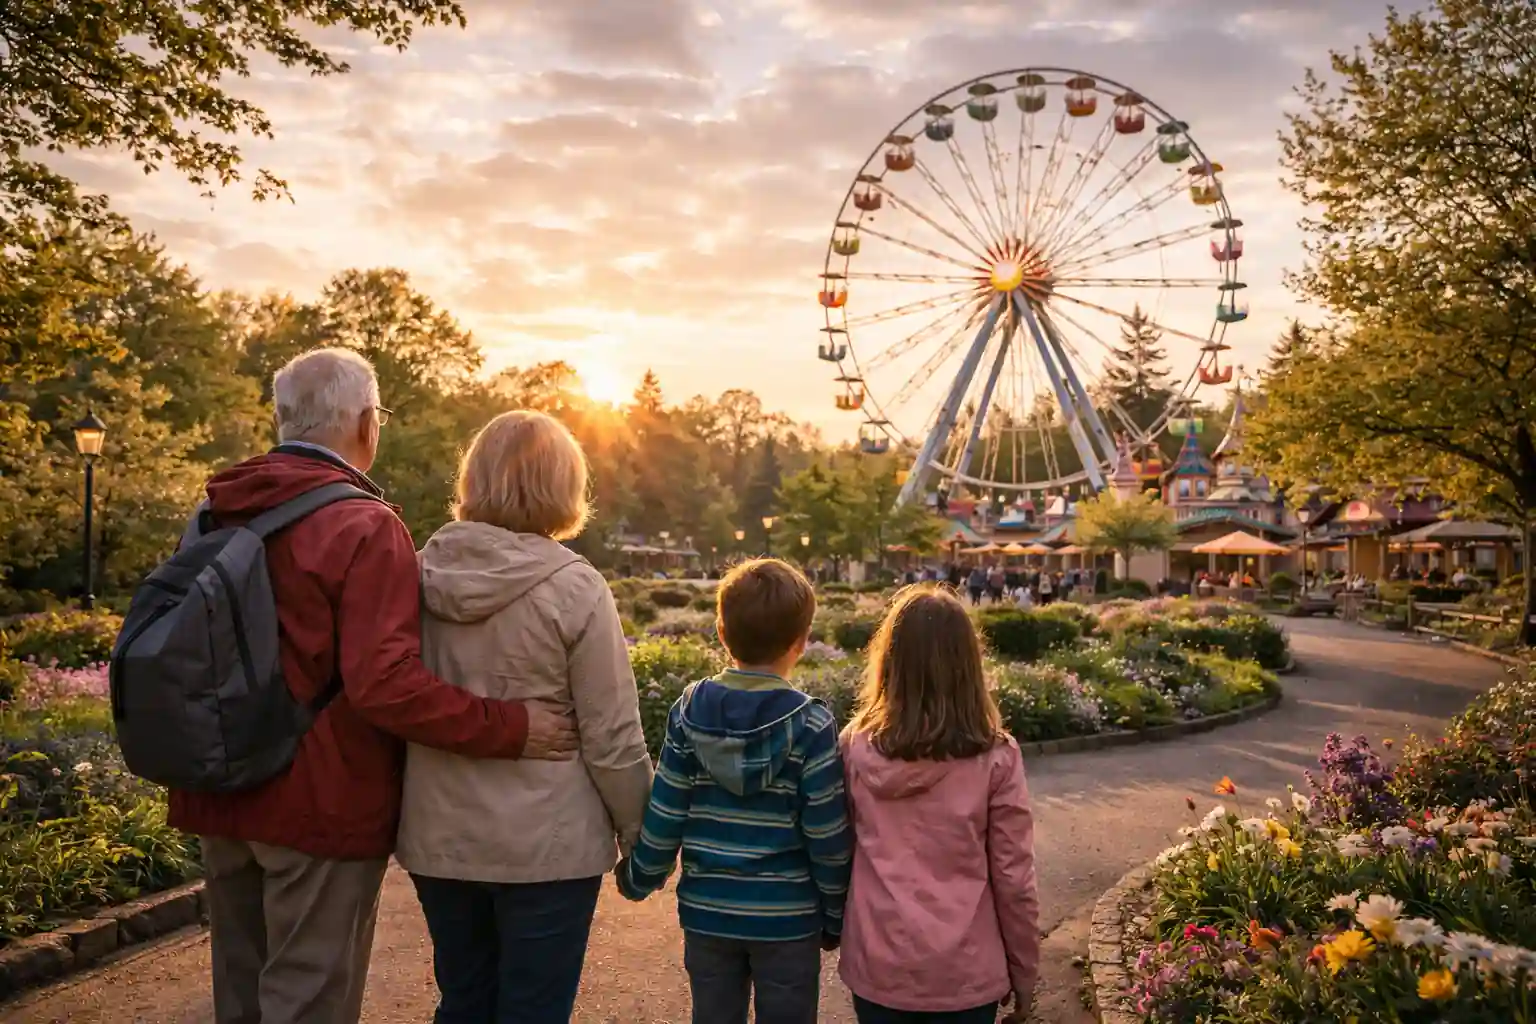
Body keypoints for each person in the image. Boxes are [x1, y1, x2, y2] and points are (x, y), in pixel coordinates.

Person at [169, 348, 578, 1024]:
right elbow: (384, 685)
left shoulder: (217, 509)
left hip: (218, 786)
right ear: (365, 423)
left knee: (239, 997)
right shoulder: (365, 524)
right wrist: (514, 727)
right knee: (308, 1002)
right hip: (320, 806)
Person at [395, 411, 653, 1023]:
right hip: (549, 845)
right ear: (565, 486)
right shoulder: (575, 587)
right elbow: (611, 735)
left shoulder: (415, 572)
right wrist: (639, 831)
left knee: (463, 999)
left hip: (442, 836)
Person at [616, 559, 851, 1024]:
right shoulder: (811, 725)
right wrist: (836, 913)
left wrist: (639, 875)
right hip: (788, 919)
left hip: (709, 913)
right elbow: (827, 834)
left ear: (721, 633)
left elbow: (666, 811)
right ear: (802, 643)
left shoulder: (689, 712)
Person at [838, 587, 1039, 1023]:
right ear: (968, 664)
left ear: (889, 661)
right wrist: (1024, 971)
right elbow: (1013, 878)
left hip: (879, 961)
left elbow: (840, 849)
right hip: (965, 972)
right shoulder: (996, 757)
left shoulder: (855, 746)